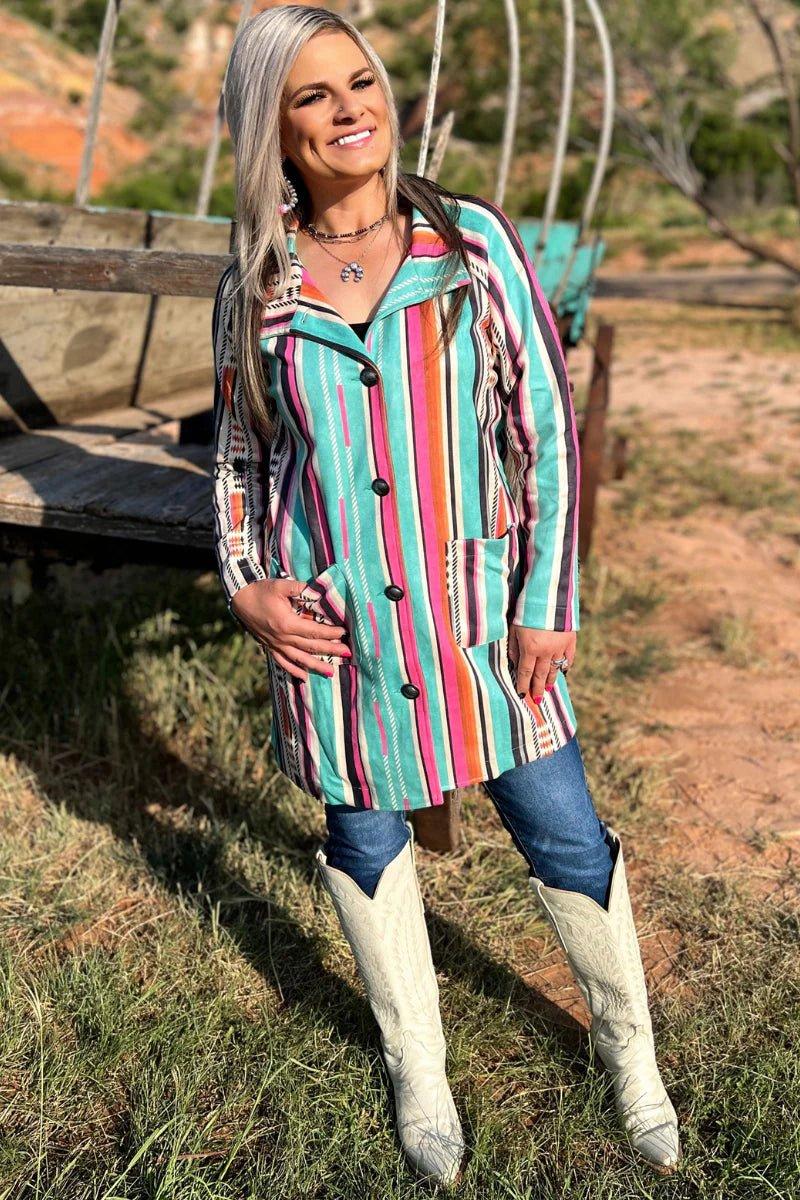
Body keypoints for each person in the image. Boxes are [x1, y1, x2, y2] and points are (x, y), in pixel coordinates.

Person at [211, 4, 680, 1186]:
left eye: (360, 82)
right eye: (312, 95)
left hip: (480, 618)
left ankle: (630, 1058)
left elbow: (544, 430)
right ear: (270, 124)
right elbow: (239, 460)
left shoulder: (469, 243)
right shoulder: (256, 282)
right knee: (363, 837)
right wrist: (249, 588)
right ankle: (417, 1070)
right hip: (338, 629)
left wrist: (545, 597)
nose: (348, 109)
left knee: (562, 829)